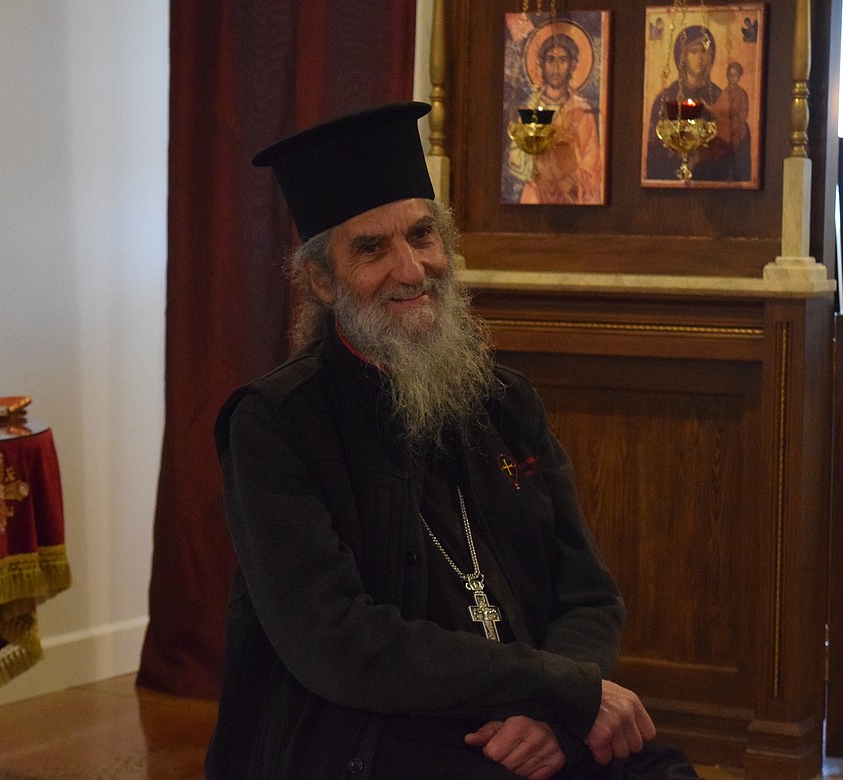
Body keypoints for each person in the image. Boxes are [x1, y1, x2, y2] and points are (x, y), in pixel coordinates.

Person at [207, 101, 698, 779]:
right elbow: (338, 644)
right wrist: (561, 692)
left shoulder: (505, 400)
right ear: (321, 280)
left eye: (423, 235)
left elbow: (587, 595)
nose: (411, 270)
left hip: (527, 713)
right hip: (360, 730)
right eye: (372, 248)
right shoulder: (275, 423)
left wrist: (552, 717)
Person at [507, 28, 604, 205]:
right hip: (536, 191)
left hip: (570, 195)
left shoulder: (581, 110)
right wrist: (532, 164)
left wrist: (571, 179)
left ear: (573, 65)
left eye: (563, 60)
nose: (556, 68)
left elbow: (592, 158)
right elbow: (516, 151)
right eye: (550, 59)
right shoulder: (531, 108)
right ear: (541, 64)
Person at [644, 25, 746, 183]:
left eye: (704, 51)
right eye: (693, 52)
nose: (700, 58)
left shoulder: (720, 95)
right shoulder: (666, 97)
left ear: (711, 56)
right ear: (682, 56)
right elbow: (655, 147)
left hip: (712, 174)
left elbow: (731, 137)